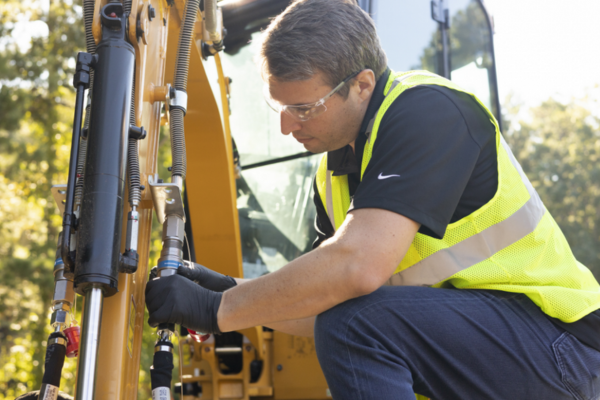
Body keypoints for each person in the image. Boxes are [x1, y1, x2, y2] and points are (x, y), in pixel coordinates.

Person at [145, 0, 600, 398]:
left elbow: (358, 270)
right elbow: (324, 302)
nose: (287, 126)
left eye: (303, 109)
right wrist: (234, 292)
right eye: (279, 109)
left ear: (362, 84)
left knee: (357, 323)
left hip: (563, 352)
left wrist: (215, 310)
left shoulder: (428, 112)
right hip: (495, 353)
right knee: (347, 318)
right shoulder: (335, 172)